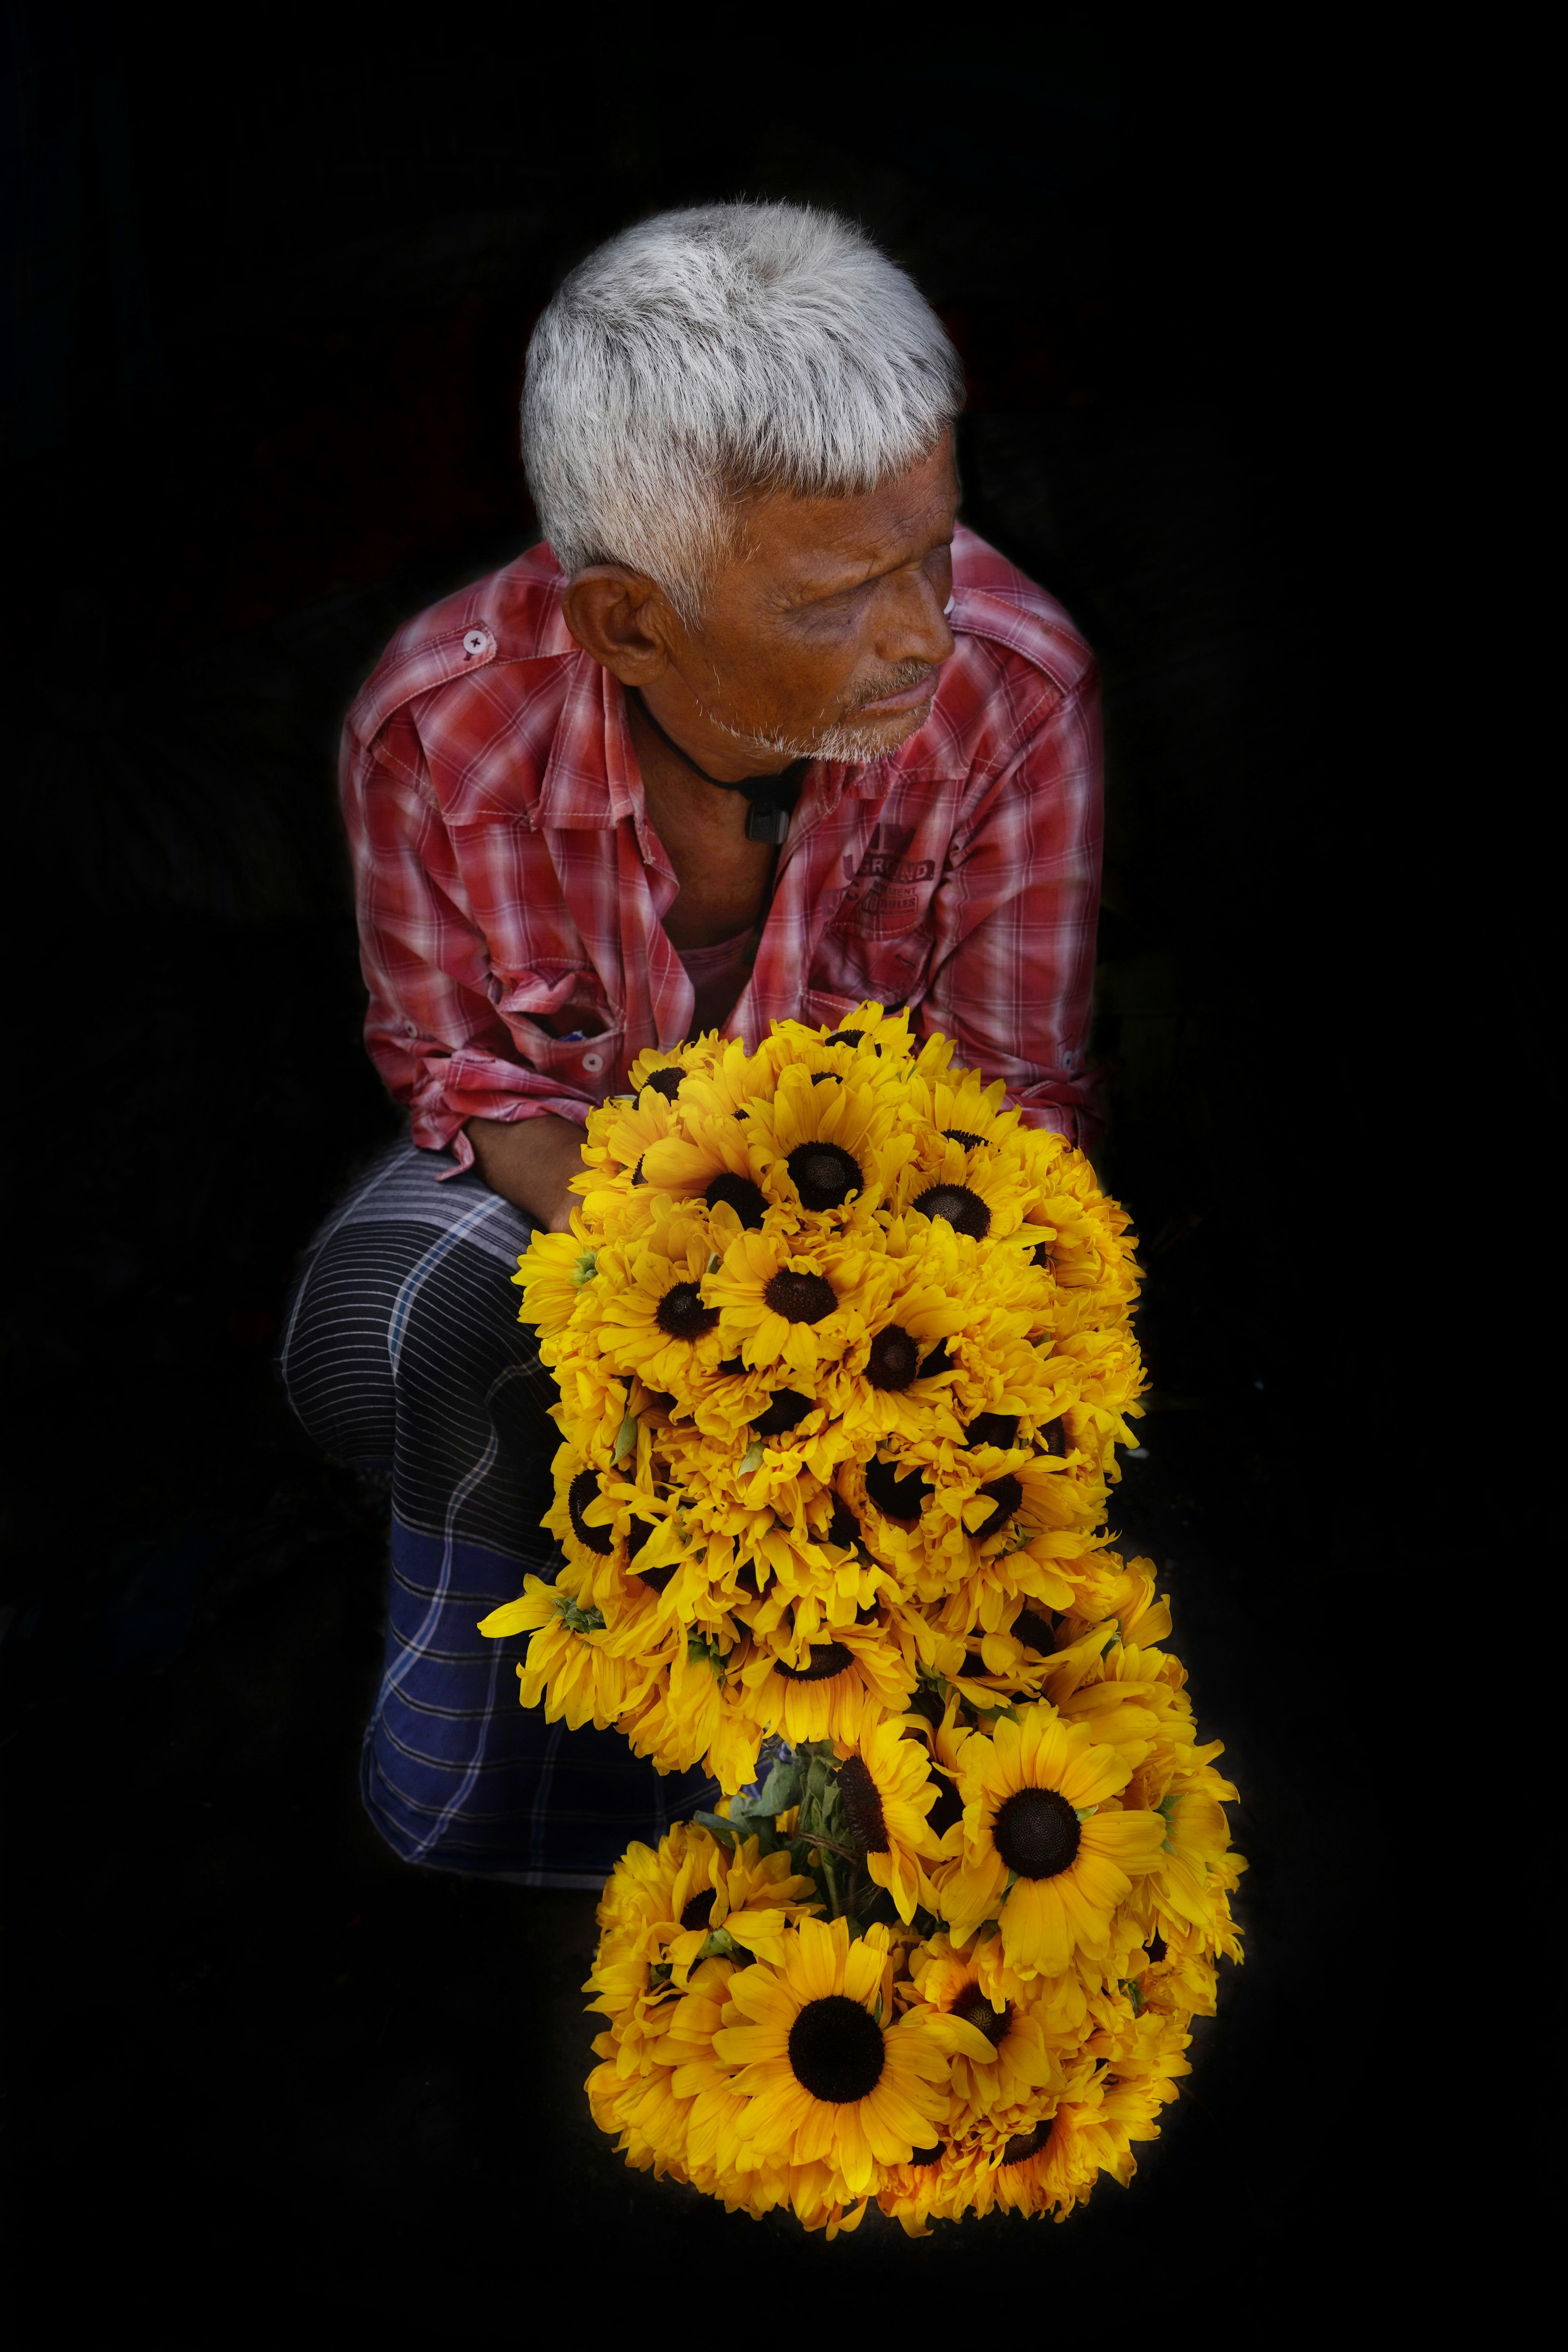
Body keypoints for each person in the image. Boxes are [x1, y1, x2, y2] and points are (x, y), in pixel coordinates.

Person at [280, 201, 1103, 1883]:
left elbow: (1014, 1124)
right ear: (626, 628)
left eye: (933, 550)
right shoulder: (435, 728)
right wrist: (681, 1310)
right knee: (390, 1327)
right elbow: (467, 1075)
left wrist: (820, 1370)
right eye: (841, 596)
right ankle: (534, 1775)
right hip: (585, 1217)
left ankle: (840, 1796)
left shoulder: (1015, 697)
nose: (923, 633)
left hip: (900, 1268)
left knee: (929, 1493)